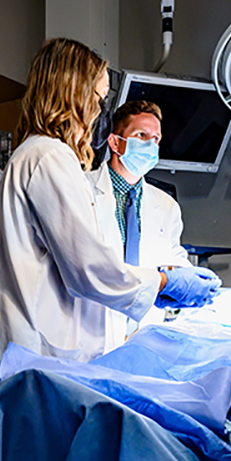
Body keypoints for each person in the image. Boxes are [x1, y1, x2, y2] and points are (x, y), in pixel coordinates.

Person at [0, 38, 221, 409]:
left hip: (47, 351)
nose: (98, 111)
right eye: (97, 99)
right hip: (33, 354)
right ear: (73, 95)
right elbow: (89, 270)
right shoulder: (48, 157)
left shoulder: (42, 156)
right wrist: (164, 281)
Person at [88, 99, 196, 351]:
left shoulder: (166, 206)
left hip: (144, 334)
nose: (150, 145)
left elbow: (173, 257)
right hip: (91, 329)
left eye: (155, 139)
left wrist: (186, 279)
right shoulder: (82, 189)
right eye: (141, 135)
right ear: (115, 142)